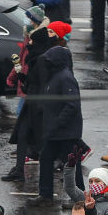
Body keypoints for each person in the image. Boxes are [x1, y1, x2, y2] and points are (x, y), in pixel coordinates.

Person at [31, 46, 83, 206]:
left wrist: (58, 123)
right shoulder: (55, 76)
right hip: (54, 132)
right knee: (45, 159)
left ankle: (79, 198)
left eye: (49, 60)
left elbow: (72, 105)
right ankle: (45, 195)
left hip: (66, 132)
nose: (47, 63)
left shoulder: (65, 77)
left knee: (72, 165)